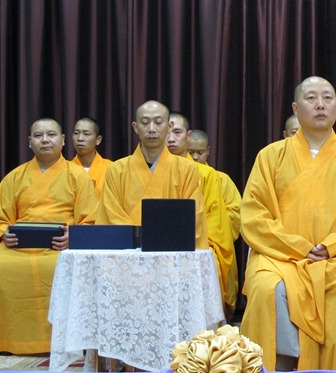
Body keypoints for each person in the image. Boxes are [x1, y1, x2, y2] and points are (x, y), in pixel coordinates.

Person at [241, 76, 336, 372]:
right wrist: (298, 247)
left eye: (327, 98)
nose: (320, 104)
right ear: (296, 108)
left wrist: (332, 246)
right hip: (281, 257)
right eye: (311, 98)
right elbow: (254, 216)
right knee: (266, 288)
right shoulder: (270, 157)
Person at [0, 118, 98, 355]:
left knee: (66, 266)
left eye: (51, 135)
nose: (45, 140)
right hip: (17, 247)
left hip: (61, 248)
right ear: (30, 142)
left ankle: (65, 344)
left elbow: (91, 219)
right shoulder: (14, 177)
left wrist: (73, 236)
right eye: (38, 136)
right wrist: (3, 234)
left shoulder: (77, 176)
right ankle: (8, 342)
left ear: (62, 140)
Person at [97, 101, 208, 248]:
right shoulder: (117, 170)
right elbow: (110, 216)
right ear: (135, 127)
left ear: (169, 126)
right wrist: (137, 243)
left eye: (158, 122)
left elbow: (193, 217)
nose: (151, 129)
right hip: (126, 252)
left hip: (172, 251)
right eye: (144, 123)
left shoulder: (186, 169)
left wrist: (160, 241)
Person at [166, 113, 238, 317]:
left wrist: (195, 234)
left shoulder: (210, 176)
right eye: (168, 132)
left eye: (177, 132)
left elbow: (227, 218)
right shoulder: (150, 172)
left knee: (207, 262)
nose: (171, 138)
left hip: (200, 242)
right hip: (161, 245)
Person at [188, 129, 242, 241]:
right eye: (190, 152)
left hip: (212, 241)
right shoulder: (178, 178)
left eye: (200, 152)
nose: (195, 157)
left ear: (208, 151)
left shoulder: (222, 179)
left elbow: (235, 213)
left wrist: (205, 228)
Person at [70, 117, 112, 195]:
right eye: (76, 133)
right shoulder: (65, 169)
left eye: (86, 134)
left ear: (98, 140)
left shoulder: (111, 168)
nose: (80, 138)